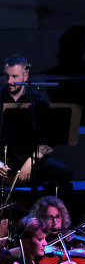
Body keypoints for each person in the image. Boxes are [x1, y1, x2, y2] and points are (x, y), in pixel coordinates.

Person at [0, 56, 73, 188]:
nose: (9, 81)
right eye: (7, 76)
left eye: (14, 76)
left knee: (63, 174)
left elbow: (50, 141)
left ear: (25, 76)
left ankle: (46, 208)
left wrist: (31, 161)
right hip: (3, 159)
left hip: (31, 159)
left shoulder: (39, 99)